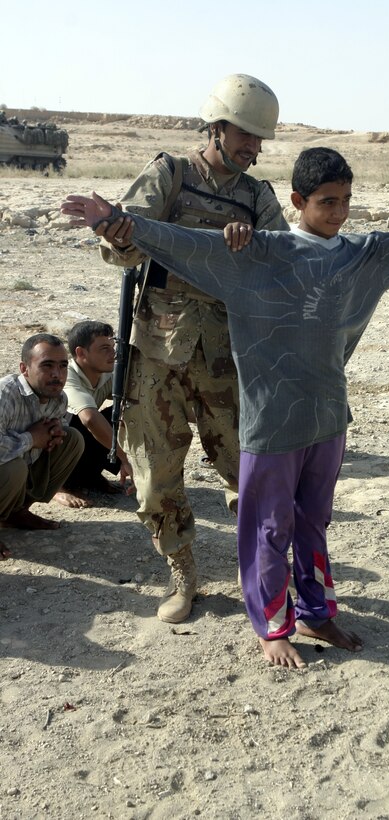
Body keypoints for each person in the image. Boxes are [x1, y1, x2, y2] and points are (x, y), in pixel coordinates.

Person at [61, 148, 389, 668]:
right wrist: (116, 221)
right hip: (270, 422)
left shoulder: (363, 255)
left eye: (346, 200)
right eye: (327, 201)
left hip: (328, 417)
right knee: (268, 525)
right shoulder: (255, 255)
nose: (339, 212)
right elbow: (184, 244)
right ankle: (271, 624)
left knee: (313, 520)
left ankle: (316, 610)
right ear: (297, 201)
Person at [96, 73, 288, 624]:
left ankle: (266, 577)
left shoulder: (258, 198)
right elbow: (123, 252)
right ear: (218, 125)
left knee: (248, 471)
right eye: (245, 135)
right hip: (158, 353)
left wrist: (248, 252)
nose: (253, 148)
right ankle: (183, 575)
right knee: (156, 476)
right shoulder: (170, 175)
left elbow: (280, 268)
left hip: (229, 357)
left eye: (259, 140)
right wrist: (117, 234)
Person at [0, 333, 85, 560]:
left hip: (20, 472)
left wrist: (54, 435)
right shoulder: (5, 395)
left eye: (63, 366)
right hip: (9, 470)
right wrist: (31, 439)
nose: (57, 375)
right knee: (13, 467)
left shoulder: (59, 399)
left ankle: (16, 513)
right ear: (24, 368)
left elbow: (53, 437)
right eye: (47, 366)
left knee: (72, 438)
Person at [53, 320, 133, 508]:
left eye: (113, 347)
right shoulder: (68, 375)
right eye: (104, 348)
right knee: (78, 424)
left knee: (124, 412)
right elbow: (89, 418)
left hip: (74, 446)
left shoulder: (106, 374)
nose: (113, 353)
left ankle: (89, 477)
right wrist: (125, 458)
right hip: (48, 448)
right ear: (81, 353)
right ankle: (57, 487)